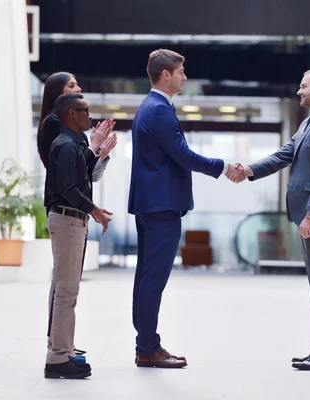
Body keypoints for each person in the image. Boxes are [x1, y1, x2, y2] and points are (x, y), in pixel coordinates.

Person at [128, 49, 245, 368]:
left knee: (146, 277)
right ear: (165, 75)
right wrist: (223, 166)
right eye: (181, 71)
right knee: (153, 278)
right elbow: (183, 155)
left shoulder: (149, 107)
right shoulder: (159, 110)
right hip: (161, 204)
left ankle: (146, 345)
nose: (185, 77)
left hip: (151, 203)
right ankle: (148, 348)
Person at [230, 68, 310, 371]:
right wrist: (249, 170)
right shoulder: (309, 122)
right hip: (309, 215)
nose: (298, 91)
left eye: (303, 86)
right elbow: (284, 155)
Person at [37, 72, 117, 364]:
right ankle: (59, 351)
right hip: (66, 212)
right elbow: (70, 179)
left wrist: (99, 151)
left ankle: (61, 344)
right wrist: (94, 147)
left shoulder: (70, 136)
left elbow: (84, 171)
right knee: (65, 288)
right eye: (72, 87)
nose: (79, 88)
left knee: (65, 285)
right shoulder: (59, 132)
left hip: (71, 212)